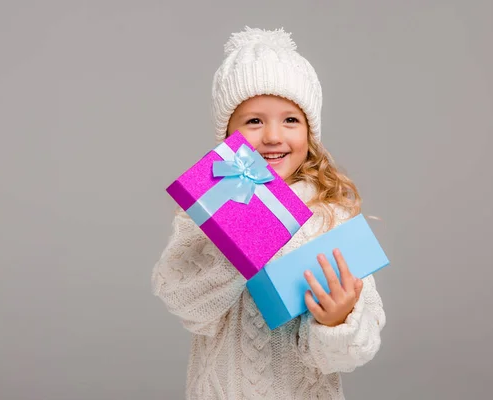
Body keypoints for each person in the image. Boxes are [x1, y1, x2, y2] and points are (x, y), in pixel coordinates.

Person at [152, 26, 386, 400]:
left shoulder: (330, 217)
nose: (273, 137)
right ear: (227, 134)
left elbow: (357, 348)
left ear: (310, 133)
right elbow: (184, 303)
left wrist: (337, 319)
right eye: (254, 121)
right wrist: (239, 238)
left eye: (290, 120)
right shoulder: (205, 214)